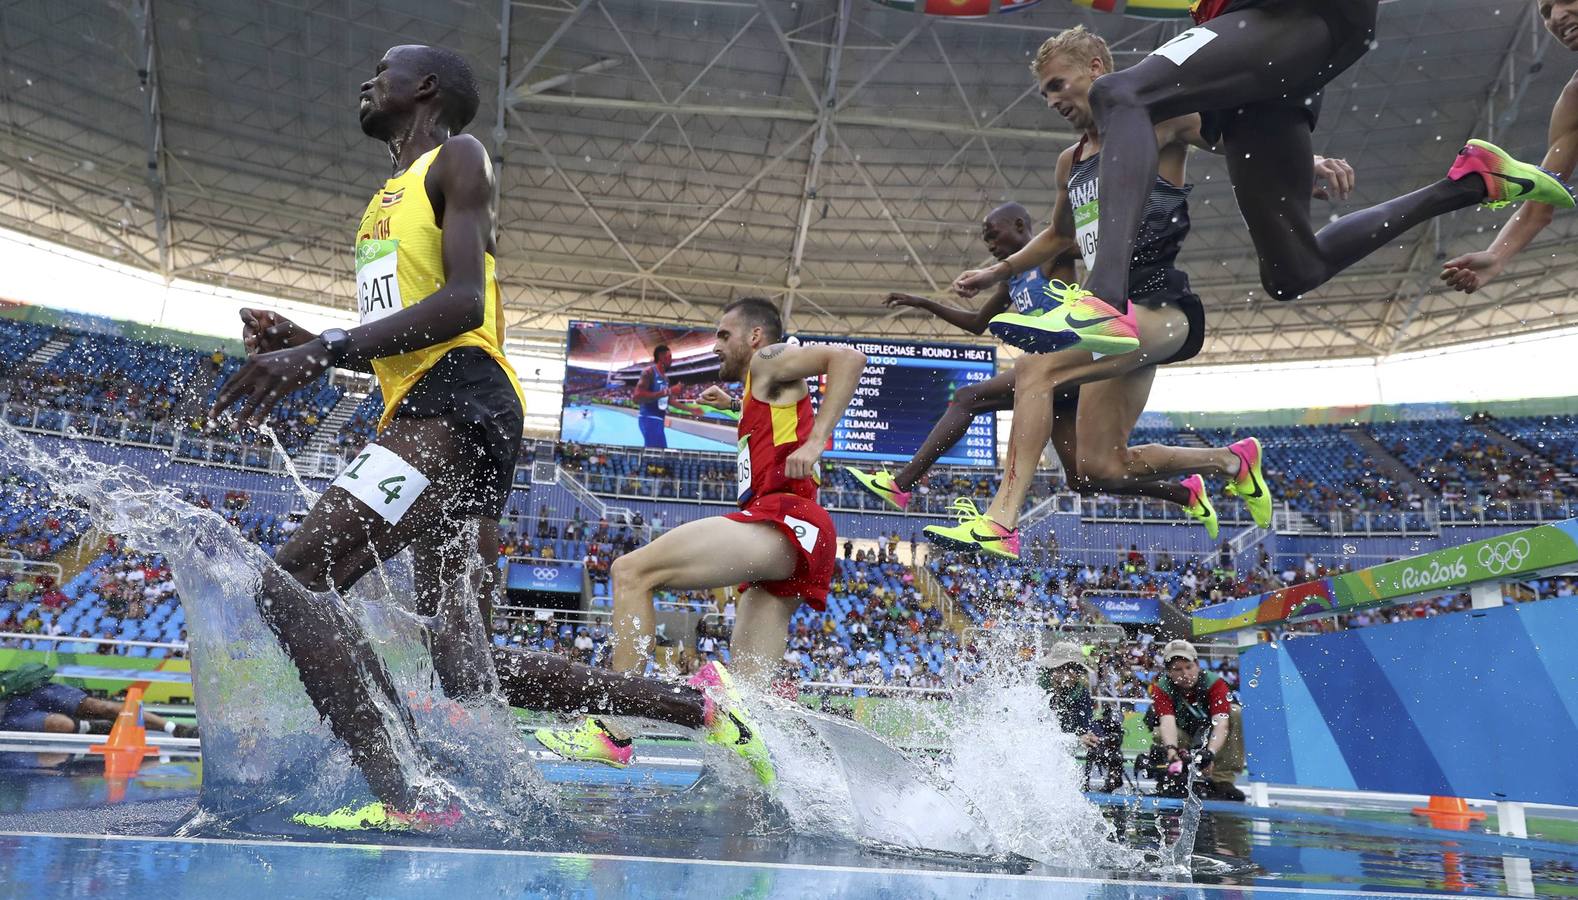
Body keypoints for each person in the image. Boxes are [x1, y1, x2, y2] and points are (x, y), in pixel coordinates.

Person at [210, 45, 770, 830]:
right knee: (465, 667)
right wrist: (306, 338)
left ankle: (407, 795)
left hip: (456, 406)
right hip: (439, 407)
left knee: (293, 580)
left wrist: (327, 346)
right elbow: (408, 328)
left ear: (426, 89)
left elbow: (466, 301)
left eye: (384, 69)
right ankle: (697, 708)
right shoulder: (385, 195)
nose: (366, 80)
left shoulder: (457, 157)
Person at [976, 2, 1571, 355]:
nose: (1055, 98)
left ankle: (1103, 299)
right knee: (1293, 271)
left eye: (1057, 85)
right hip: (1259, 63)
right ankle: (1471, 181)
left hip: (1290, 14)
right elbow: (1202, 130)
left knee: (1121, 92)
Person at [928, 28, 1278, 559]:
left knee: (1034, 370)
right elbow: (1060, 235)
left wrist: (1308, 166)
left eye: (1057, 86)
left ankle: (1001, 520)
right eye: (1045, 94)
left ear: (1096, 68)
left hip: (1161, 306)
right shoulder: (1071, 161)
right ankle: (1231, 462)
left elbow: (1240, 144)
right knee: (1097, 468)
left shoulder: (1158, 122)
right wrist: (996, 272)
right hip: (1105, 315)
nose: (1052, 101)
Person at [536, 298, 865, 762]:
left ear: (755, 337)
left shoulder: (770, 358)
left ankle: (613, 729)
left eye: (723, 335)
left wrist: (816, 442)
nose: (715, 346)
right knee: (750, 706)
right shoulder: (763, 383)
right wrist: (733, 404)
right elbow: (779, 423)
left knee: (632, 572)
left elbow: (848, 359)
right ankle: (779, 780)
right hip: (803, 532)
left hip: (784, 518)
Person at [844, 203, 1080, 512]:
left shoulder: (1053, 253)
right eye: (988, 242)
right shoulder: (1013, 280)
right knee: (1082, 478)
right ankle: (1168, 490)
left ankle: (901, 484)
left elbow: (1098, 244)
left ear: (1021, 226)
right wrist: (924, 302)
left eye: (995, 236)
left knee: (968, 397)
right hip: (1054, 378)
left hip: (1072, 363)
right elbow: (976, 324)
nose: (992, 246)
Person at [1442, 3, 1578, 293]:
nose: (1556, 16)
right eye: (1545, 12)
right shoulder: (1575, 100)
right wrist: (1496, 255)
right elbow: (1542, 197)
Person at [1144, 639, 1244, 802]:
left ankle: (1222, 779)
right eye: (1177, 669)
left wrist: (1209, 754)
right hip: (1183, 734)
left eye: (1189, 667)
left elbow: (1222, 723)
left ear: (1197, 665)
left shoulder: (1215, 683)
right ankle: (1179, 772)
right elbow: (1167, 722)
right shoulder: (1162, 688)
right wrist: (1171, 751)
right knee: (1158, 732)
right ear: (1169, 672)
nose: (1185, 674)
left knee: (1235, 712)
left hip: (1211, 734)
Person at [0, 664, 198, 738]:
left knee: (98, 706)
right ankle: (91, 726)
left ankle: (174, 728)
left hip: (27, 689)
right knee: (61, 725)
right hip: (8, 714)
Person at [1036, 643, 1123, 793]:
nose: (1075, 675)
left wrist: (1098, 739)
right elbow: (1035, 736)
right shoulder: (1035, 690)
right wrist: (1076, 739)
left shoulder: (1080, 693)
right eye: (1071, 669)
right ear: (1055, 669)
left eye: (1078, 670)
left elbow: (1085, 726)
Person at [632, 344, 679, 449]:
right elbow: (636, 397)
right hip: (649, 418)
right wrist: (668, 391)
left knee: (654, 453)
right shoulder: (649, 372)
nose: (672, 360)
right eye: (669, 357)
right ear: (661, 357)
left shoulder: (666, 379)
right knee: (658, 454)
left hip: (658, 420)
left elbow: (663, 399)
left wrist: (690, 409)